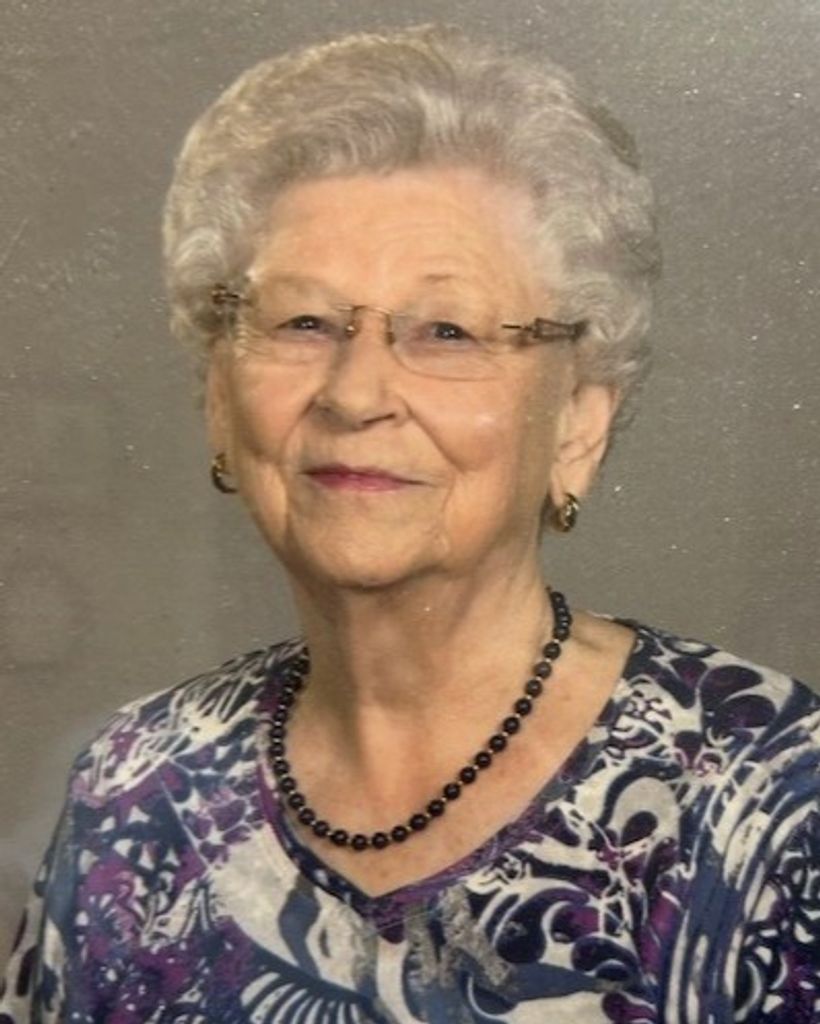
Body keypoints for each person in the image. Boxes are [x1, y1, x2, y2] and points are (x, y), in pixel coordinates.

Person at [1, 23, 818, 1024]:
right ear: (218, 397)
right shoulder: (134, 790)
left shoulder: (769, 793)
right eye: (303, 322)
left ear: (577, 419)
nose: (356, 393)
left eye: (447, 332)